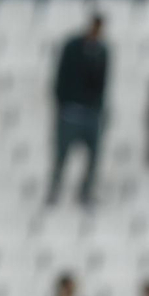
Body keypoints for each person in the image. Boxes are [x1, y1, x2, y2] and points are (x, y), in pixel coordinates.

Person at [48, 14, 108, 208]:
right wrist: (62, 103)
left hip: (90, 112)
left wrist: (98, 108)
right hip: (70, 111)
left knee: (93, 157)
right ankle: (54, 190)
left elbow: (103, 83)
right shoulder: (72, 47)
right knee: (61, 156)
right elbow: (61, 76)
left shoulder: (102, 52)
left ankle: (85, 193)